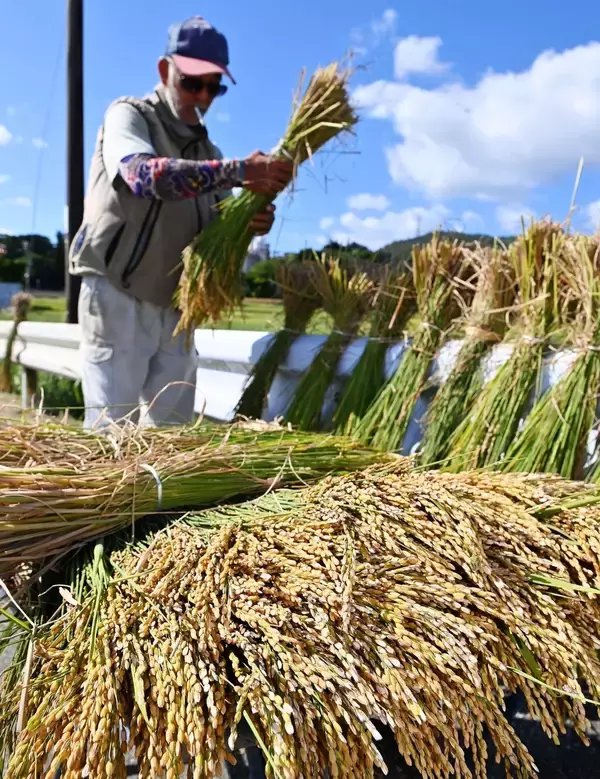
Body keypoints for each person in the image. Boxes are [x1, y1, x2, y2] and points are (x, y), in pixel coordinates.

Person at [69, 16, 292, 430]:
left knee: (171, 437)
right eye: (192, 83)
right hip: (118, 294)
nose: (203, 96)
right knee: (110, 434)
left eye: (214, 86)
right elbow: (144, 175)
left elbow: (217, 232)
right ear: (163, 70)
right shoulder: (130, 116)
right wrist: (241, 172)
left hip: (176, 310)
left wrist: (251, 222)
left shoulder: (209, 150)